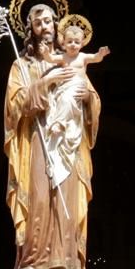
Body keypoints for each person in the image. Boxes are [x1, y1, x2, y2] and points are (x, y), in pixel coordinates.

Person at [3, 0, 101, 269]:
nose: (44, 27)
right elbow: (13, 107)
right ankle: (34, 261)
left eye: (48, 21)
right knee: (39, 198)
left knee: (66, 198)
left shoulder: (70, 60)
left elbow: (88, 94)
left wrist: (88, 99)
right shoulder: (22, 66)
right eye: (37, 23)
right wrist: (44, 83)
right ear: (29, 29)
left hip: (68, 145)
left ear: (55, 25)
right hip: (37, 141)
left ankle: (69, 262)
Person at [41, 16, 108, 189]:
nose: (72, 45)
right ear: (63, 43)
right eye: (69, 41)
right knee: (64, 99)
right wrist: (46, 54)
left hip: (77, 87)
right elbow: (50, 60)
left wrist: (101, 54)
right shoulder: (63, 57)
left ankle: (60, 123)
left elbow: (95, 58)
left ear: (82, 43)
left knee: (69, 100)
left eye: (76, 42)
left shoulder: (83, 57)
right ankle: (59, 123)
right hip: (65, 87)